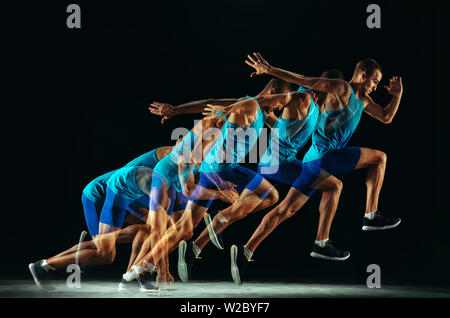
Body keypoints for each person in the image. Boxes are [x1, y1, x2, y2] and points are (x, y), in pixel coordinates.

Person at [228, 53, 403, 285]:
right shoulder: (342, 89)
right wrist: (270, 70)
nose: (375, 87)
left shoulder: (364, 102)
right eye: (374, 81)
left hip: (314, 163)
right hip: (326, 156)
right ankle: (370, 215)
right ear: (362, 74)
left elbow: (387, 117)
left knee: (292, 208)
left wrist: (397, 95)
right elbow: (306, 79)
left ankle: (247, 251)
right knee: (380, 158)